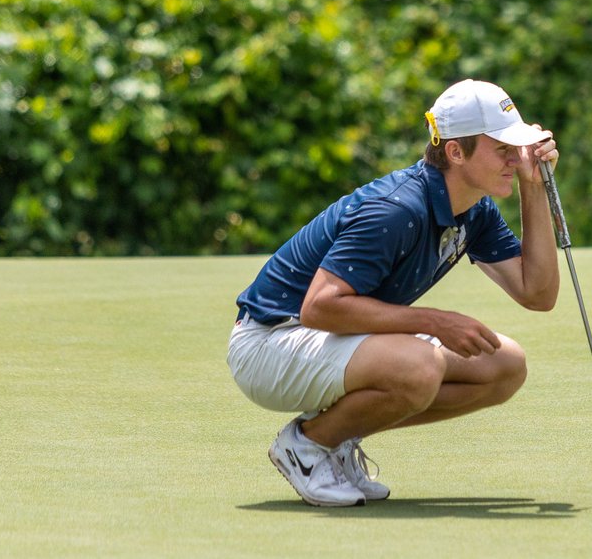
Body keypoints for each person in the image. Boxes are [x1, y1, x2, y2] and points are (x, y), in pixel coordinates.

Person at [228, 79, 561, 507]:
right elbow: (318, 307)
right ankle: (308, 447)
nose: (515, 160)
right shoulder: (397, 208)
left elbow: (538, 293)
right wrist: (436, 321)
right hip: (268, 342)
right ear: (456, 152)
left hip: (325, 341)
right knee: (418, 366)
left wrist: (534, 187)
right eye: (503, 150)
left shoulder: (474, 211)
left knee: (504, 364)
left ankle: (337, 438)